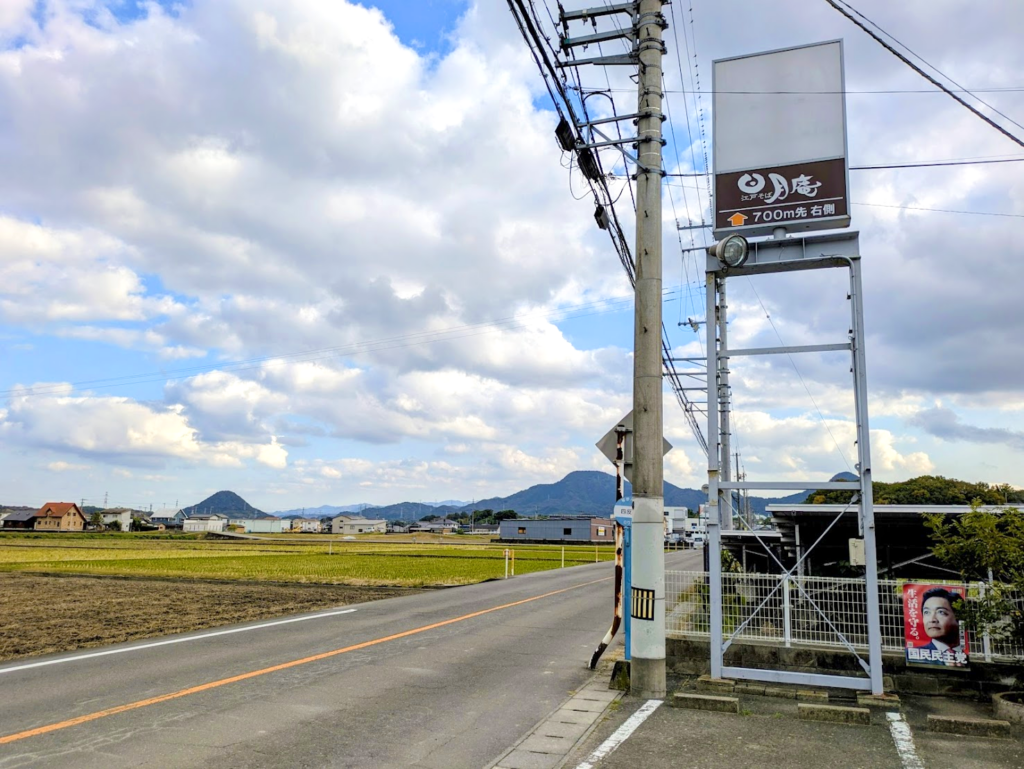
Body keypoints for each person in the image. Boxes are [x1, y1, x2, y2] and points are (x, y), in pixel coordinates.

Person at [913, 587, 967, 664]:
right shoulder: (915, 656)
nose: (932, 619)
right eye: (927, 612)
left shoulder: (967, 657)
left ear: (959, 617)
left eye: (941, 612)